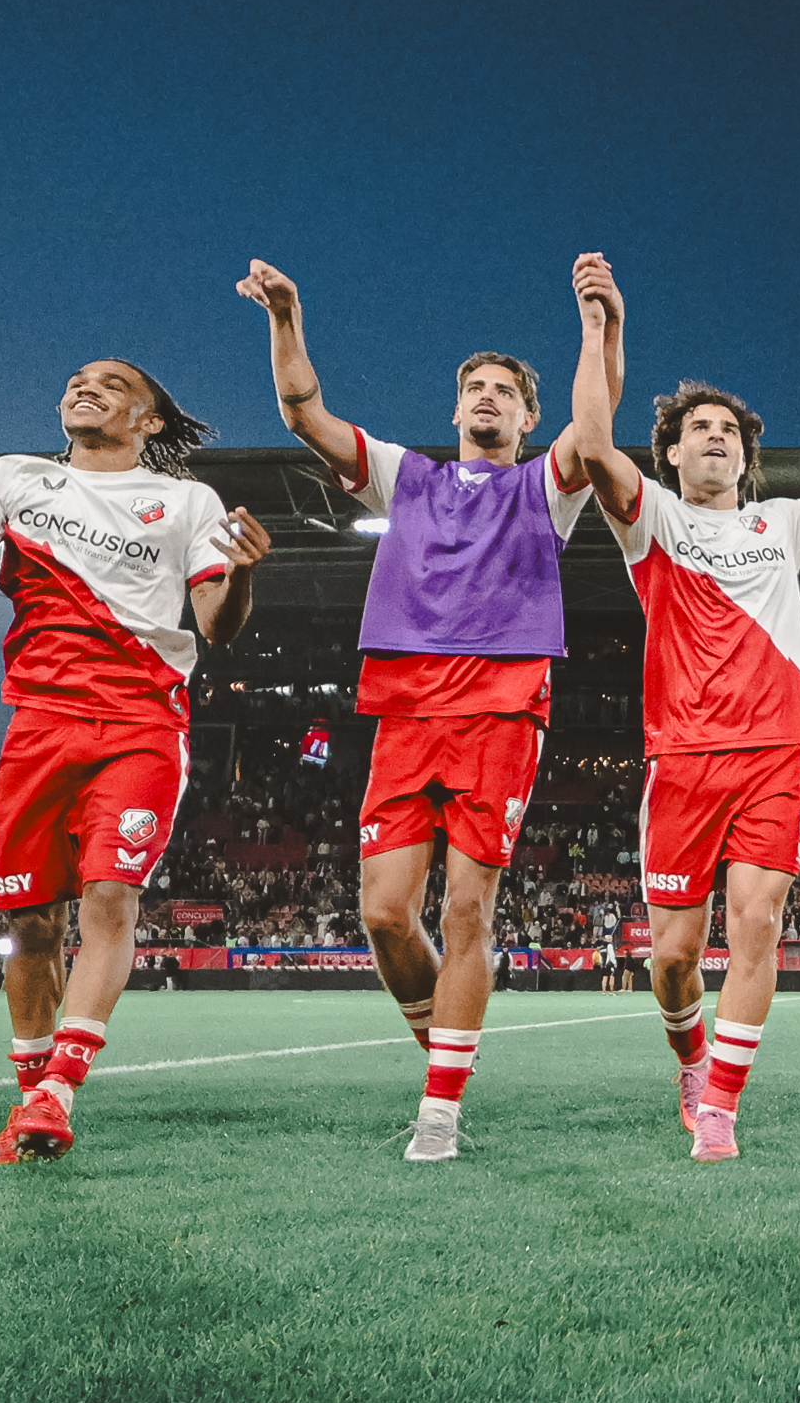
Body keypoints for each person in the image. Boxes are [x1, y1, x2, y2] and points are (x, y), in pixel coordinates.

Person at [0, 353, 268, 1163]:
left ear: (152, 420)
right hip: (37, 726)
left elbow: (218, 624)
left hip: (139, 722)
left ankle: (58, 1087)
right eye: (74, 379)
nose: (83, 386)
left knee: (107, 899)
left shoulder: (184, 500)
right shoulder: (13, 479)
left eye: (112, 384)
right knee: (30, 925)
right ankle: (31, 1099)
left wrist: (238, 577)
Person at [241, 256, 617, 1161]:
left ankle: (438, 1108)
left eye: (505, 392)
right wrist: (287, 314)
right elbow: (302, 414)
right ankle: (442, 1047)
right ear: (454, 410)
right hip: (405, 705)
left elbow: (595, 429)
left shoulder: (545, 487)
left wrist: (597, 325)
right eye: (474, 388)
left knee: (466, 914)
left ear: (529, 419)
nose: (487, 397)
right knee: (381, 912)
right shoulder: (403, 476)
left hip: (499, 704)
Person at [559, 282, 800, 1160]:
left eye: (729, 429)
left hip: (775, 751)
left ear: (745, 453)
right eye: (700, 429)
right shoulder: (649, 518)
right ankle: (689, 1054)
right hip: (681, 755)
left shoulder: (784, 522)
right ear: (672, 453)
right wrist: (595, 330)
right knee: (673, 957)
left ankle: (722, 1103)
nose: (717, 436)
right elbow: (590, 442)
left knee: (758, 921)